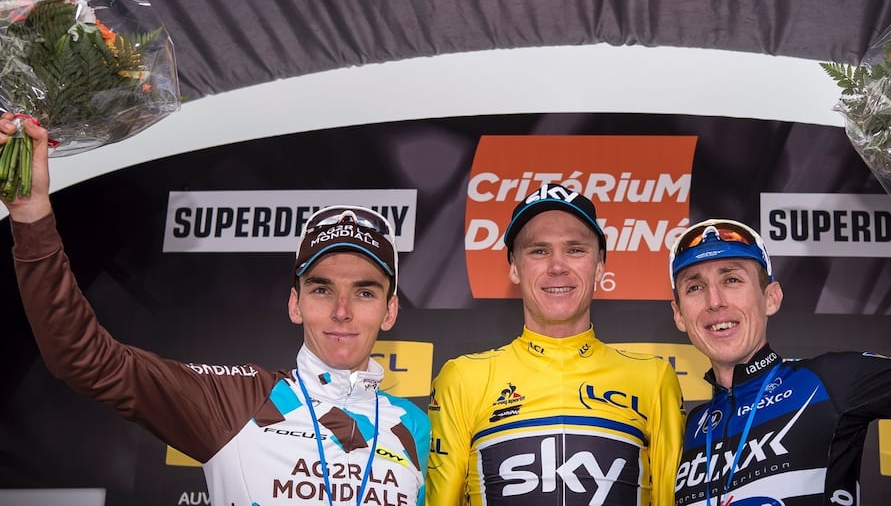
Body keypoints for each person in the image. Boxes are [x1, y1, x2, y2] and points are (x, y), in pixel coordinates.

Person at [1, 112, 430, 506]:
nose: (342, 311)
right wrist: (31, 214)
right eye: (321, 290)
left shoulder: (413, 425)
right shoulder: (235, 401)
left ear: (390, 311)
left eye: (365, 293)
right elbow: (84, 359)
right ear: (295, 304)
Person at [668, 130, 891, 506]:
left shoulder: (830, 381)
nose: (715, 301)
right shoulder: (688, 430)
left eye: (732, 280)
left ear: (771, 298)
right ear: (679, 315)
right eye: (695, 287)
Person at [427, 182, 685, 506]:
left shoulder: (654, 379)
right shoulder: (462, 378)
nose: (558, 266)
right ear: (514, 267)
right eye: (539, 250)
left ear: (599, 265)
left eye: (575, 250)